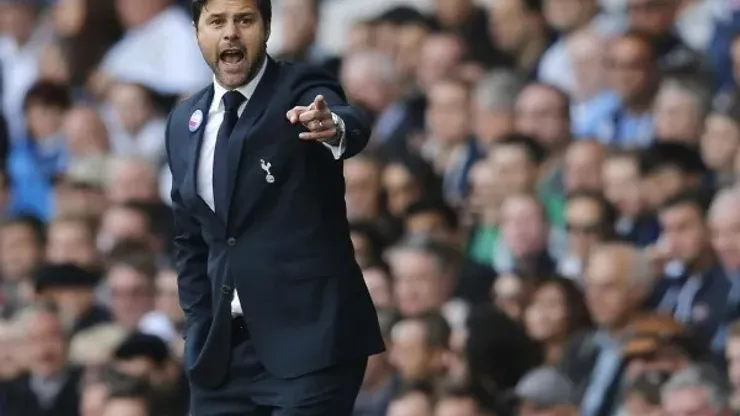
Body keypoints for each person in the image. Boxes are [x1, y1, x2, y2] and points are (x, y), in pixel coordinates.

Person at [166, 0, 384, 415]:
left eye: (245, 20)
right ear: (197, 32)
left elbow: (346, 119)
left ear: (266, 28)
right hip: (223, 358)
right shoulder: (183, 121)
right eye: (217, 21)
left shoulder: (300, 87)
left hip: (310, 347)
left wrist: (333, 127)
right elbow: (190, 239)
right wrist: (198, 327)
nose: (231, 32)